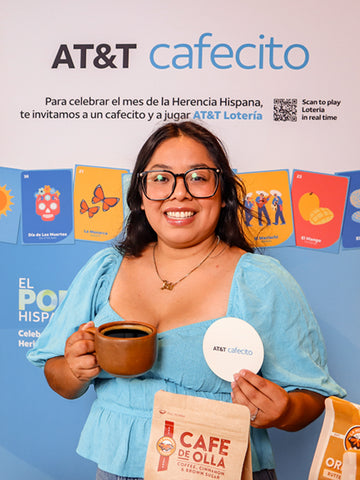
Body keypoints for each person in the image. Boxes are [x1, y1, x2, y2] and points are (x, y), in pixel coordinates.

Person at [27, 121, 346, 480]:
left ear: (222, 191)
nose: (179, 194)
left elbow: (313, 397)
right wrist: (73, 368)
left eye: (197, 177)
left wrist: (284, 410)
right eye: (161, 179)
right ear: (141, 195)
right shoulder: (105, 270)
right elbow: (58, 376)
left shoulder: (262, 280)